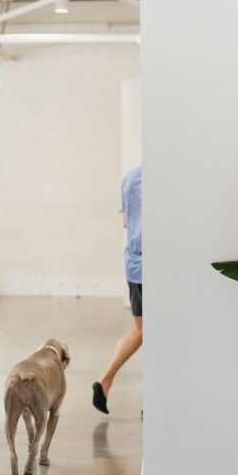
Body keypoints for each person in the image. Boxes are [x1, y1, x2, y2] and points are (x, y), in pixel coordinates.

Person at [93, 165, 142, 415]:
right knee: (153, 332)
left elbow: (125, 222)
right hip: (157, 267)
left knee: (142, 329)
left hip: (135, 263)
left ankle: (105, 380)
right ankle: (153, 397)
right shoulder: (169, 174)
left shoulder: (131, 176)